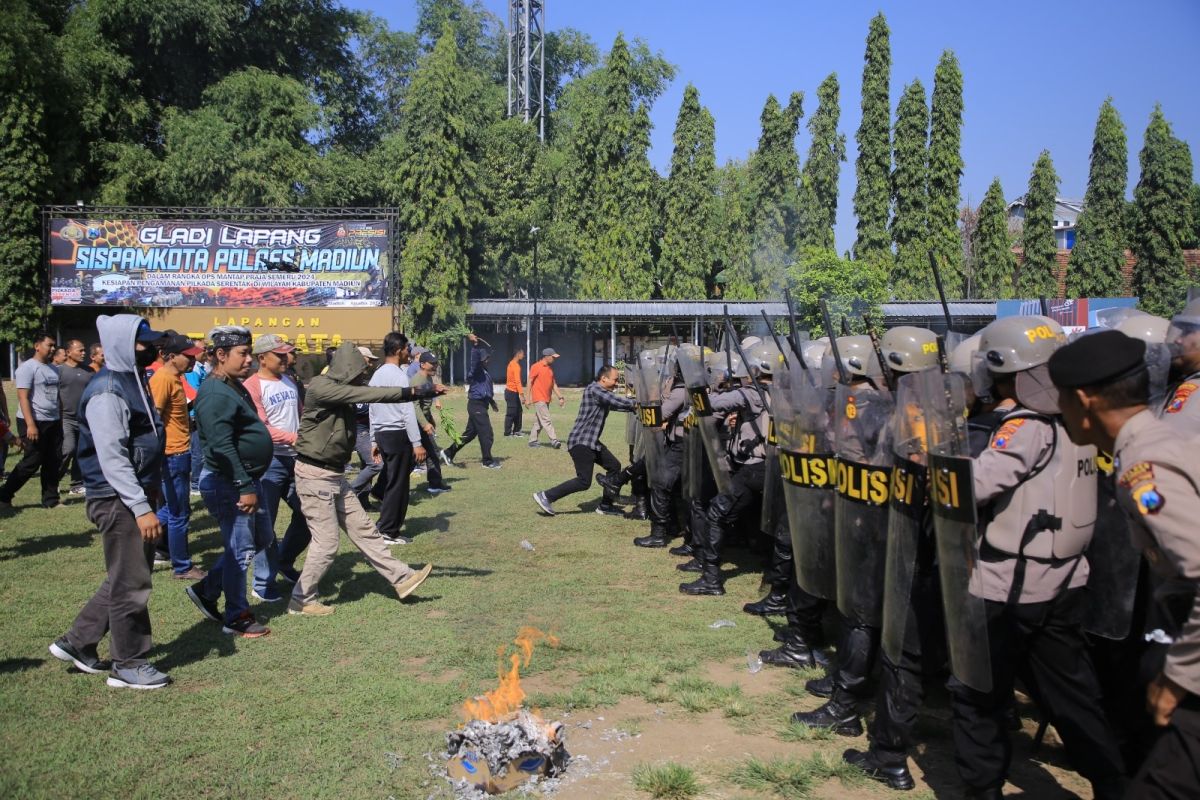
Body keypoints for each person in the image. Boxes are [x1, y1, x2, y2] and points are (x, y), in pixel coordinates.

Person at [947, 316, 1127, 800]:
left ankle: (982, 789)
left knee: (977, 694)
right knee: (1073, 696)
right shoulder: (1082, 416)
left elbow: (975, 487)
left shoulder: (1024, 427)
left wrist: (937, 465)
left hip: (1009, 586)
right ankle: (1112, 783)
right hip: (1066, 580)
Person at [1050, 329, 1200, 798]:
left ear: (1083, 400)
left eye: (1060, 400)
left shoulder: (1146, 467)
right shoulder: (1156, 441)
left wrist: (1179, 679)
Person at [48, 314, 172, 689]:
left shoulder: (132, 381)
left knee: (125, 576)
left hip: (133, 495)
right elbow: (112, 456)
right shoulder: (107, 391)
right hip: (118, 498)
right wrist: (141, 507)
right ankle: (128, 663)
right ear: (122, 345)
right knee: (132, 583)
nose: (150, 349)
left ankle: (78, 642)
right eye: (143, 343)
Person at [288, 342, 440, 616]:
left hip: (334, 474)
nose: (362, 377)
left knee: (365, 531)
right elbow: (372, 395)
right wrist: (414, 391)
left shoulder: (343, 388)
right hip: (315, 475)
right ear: (347, 368)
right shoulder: (323, 387)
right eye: (359, 371)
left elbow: (366, 397)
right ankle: (301, 599)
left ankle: (402, 578)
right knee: (326, 543)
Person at [183, 327, 275, 638]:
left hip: (247, 478)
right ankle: (236, 616)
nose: (249, 359)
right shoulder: (213, 393)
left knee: (261, 538)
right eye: (243, 353)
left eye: (249, 352)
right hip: (230, 482)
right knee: (240, 549)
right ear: (221, 355)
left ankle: (208, 589)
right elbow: (220, 446)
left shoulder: (232, 385)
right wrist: (245, 486)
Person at [243, 333, 306, 596]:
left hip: (295, 459)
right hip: (268, 462)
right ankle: (262, 583)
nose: (286, 358)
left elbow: (300, 414)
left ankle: (283, 560)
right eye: (279, 355)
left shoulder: (289, 381)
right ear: (262, 358)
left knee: (310, 513)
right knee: (265, 525)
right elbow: (261, 428)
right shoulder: (251, 386)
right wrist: (293, 437)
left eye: (286, 354)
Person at [533, 365, 635, 516]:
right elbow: (616, 401)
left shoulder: (601, 393)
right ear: (604, 378)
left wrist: (634, 408)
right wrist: (640, 403)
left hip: (591, 442)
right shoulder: (595, 390)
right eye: (615, 380)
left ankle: (606, 506)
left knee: (614, 466)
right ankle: (546, 496)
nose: (616, 383)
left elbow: (617, 406)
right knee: (583, 481)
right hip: (581, 442)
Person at [147, 333, 206, 581]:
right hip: (172, 454)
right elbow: (155, 419)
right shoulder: (163, 379)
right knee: (178, 512)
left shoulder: (176, 378)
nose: (192, 361)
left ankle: (135, 534)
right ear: (170, 356)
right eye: (188, 356)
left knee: (174, 509)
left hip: (180, 452)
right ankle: (182, 566)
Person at [368, 332, 425, 545]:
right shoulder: (399, 376)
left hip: (383, 434)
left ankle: (388, 528)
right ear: (398, 350)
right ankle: (387, 530)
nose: (409, 353)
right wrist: (417, 443)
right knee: (398, 484)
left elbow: (372, 410)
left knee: (393, 481)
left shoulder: (377, 375)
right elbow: (407, 411)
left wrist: (374, 440)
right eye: (407, 349)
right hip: (396, 433)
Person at [0, 332, 63, 510]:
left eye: (53, 346)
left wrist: (60, 417)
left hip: (53, 420)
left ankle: (51, 500)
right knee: (32, 461)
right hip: (33, 421)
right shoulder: (27, 368)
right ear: (37, 346)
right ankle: (4, 496)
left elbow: (57, 397)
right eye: (49, 345)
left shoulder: (54, 369)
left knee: (53, 460)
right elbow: (23, 398)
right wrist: (30, 424)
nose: (52, 349)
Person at [444, 334, 500, 469]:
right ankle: (487, 461)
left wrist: (492, 402)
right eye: (485, 359)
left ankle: (448, 452)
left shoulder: (485, 373)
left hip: (481, 405)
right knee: (487, 433)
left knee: (469, 434)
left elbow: (485, 390)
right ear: (481, 361)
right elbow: (474, 361)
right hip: (476, 405)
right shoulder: (476, 371)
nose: (488, 360)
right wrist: (475, 346)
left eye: (487, 358)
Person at [57, 339, 93, 496]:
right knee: (68, 449)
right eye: (80, 350)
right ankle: (53, 480)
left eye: (84, 350)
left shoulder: (89, 371)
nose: (83, 353)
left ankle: (77, 484)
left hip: (84, 419)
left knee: (81, 451)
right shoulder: (59, 371)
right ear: (68, 352)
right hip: (66, 418)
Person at [412, 351, 451, 495]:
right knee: (419, 455)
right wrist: (424, 424)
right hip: (416, 424)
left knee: (430, 453)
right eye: (432, 363)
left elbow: (426, 405)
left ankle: (435, 484)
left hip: (423, 421)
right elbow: (414, 406)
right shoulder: (417, 380)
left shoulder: (428, 379)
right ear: (422, 364)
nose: (435, 366)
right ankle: (385, 487)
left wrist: (431, 420)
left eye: (436, 363)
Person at [183, 341, 210, 494]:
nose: (206, 351)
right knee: (198, 453)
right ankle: (195, 484)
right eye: (203, 349)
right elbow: (194, 394)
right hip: (196, 415)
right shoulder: (193, 370)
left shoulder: (200, 367)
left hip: (200, 414)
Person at [527, 348, 565, 448]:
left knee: (539, 421)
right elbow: (529, 382)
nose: (554, 359)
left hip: (546, 398)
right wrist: (527, 398)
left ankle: (532, 441)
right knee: (546, 419)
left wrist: (560, 397)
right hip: (539, 398)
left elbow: (553, 384)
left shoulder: (549, 369)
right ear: (547, 357)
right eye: (553, 357)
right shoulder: (536, 367)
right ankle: (554, 440)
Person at [504, 348, 526, 437]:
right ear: (518, 354)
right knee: (511, 413)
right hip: (511, 392)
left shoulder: (512, 363)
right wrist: (522, 395)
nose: (523, 356)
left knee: (519, 411)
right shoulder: (515, 366)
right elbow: (517, 381)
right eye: (522, 354)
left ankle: (517, 430)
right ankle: (507, 432)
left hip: (513, 392)